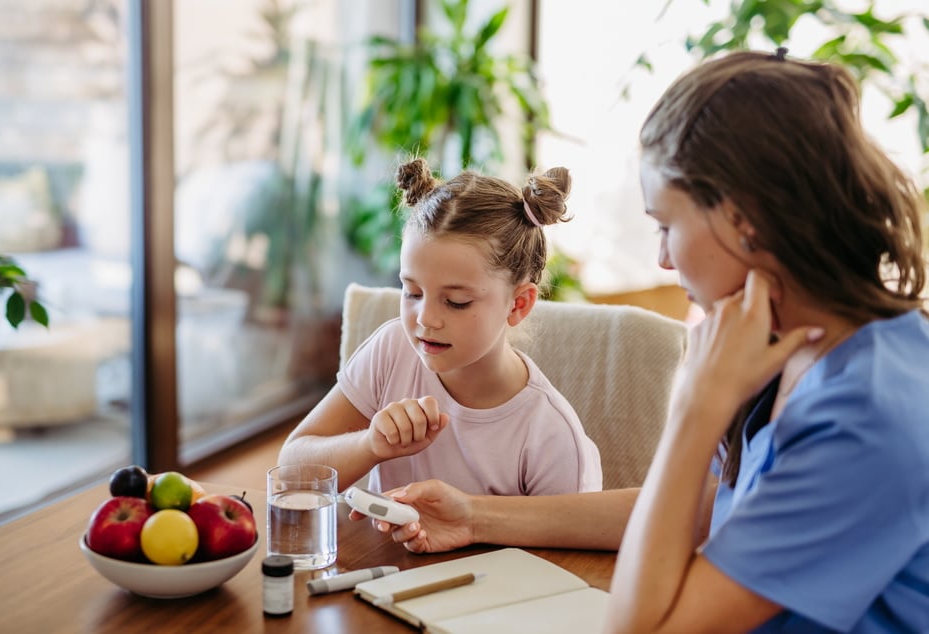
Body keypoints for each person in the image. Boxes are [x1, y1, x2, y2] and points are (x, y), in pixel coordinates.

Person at [374, 50, 929, 633]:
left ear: (746, 219)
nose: (663, 258)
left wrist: (695, 412)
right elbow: (710, 508)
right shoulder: (789, 346)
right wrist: (475, 516)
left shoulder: (866, 415)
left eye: (666, 225)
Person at [278, 157, 602, 497]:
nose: (425, 319)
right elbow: (290, 472)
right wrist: (370, 445)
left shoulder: (549, 433)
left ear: (518, 304)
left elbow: (567, 544)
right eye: (412, 292)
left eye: (457, 302)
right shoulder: (392, 350)